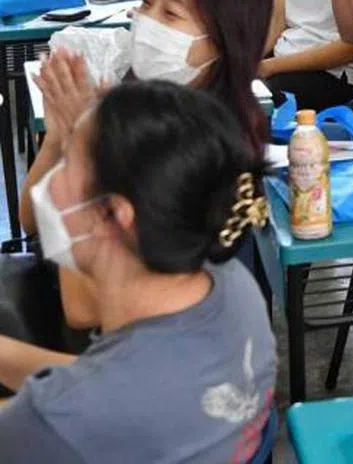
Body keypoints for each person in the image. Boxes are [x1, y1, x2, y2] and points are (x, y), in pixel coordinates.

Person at [0, 81, 276, 463]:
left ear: (113, 214)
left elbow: (72, 409)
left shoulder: (58, 423)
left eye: (66, 163)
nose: (51, 184)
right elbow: (111, 386)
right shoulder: (232, 287)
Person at [19, 0, 277, 329]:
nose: (145, 21)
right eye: (146, 2)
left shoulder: (212, 149)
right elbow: (32, 221)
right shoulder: (132, 106)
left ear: (224, 40)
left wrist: (80, 145)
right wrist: (58, 136)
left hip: (165, 356)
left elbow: (86, 309)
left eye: (171, 13)